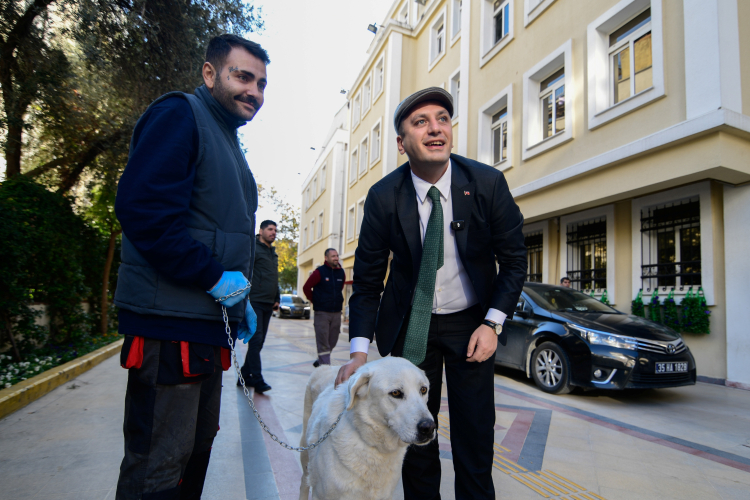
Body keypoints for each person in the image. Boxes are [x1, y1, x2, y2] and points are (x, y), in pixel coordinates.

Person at [336, 87, 527, 499]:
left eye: (442, 118)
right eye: (420, 122)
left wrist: (493, 323)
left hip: (471, 324)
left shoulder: (488, 184)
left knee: (475, 436)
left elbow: (514, 261)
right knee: (414, 436)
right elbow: (368, 281)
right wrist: (357, 352)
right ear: (402, 143)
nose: (435, 128)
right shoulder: (384, 197)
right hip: (411, 325)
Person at [113, 34, 269, 500]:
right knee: (157, 467)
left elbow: (214, 228)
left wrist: (238, 307)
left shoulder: (225, 138)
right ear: (209, 73)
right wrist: (213, 277)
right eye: (243, 76)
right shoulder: (180, 114)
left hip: (202, 328)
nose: (255, 92)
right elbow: (144, 211)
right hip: (168, 327)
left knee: (193, 456)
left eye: (262, 83)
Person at [238, 220, 280, 393]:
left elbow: (274, 277)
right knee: (255, 341)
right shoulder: (253, 248)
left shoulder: (273, 253)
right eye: (270, 229)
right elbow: (246, 271)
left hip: (268, 303)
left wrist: (277, 297)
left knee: (259, 342)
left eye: (275, 230)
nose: (273, 233)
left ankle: (243, 375)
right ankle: (257, 378)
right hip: (254, 300)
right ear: (261, 231)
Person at [303, 248, 346, 366]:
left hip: (336, 312)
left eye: (337, 255)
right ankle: (325, 366)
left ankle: (322, 358)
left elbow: (339, 288)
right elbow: (306, 287)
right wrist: (314, 300)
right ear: (326, 258)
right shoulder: (319, 272)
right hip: (322, 312)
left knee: (333, 340)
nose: (336, 258)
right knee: (323, 340)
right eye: (333, 256)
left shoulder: (341, 272)